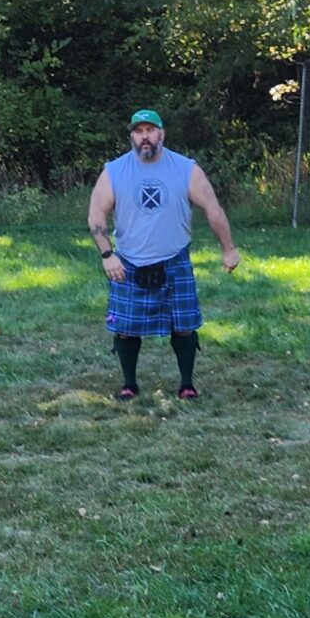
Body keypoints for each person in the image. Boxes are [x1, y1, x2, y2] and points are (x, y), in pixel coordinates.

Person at [88, 106, 240, 401]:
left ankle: (186, 384)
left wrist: (229, 249)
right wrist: (108, 255)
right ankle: (129, 384)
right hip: (128, 262)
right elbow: (96, 213)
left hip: (174, 260)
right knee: (125, 329)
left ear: (162, 134)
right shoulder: (114, 171)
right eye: (138, 131)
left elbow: (213, 208)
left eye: (150, 130)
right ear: (132, 136)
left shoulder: (186, 169)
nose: (145, 137)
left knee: (183, 326)